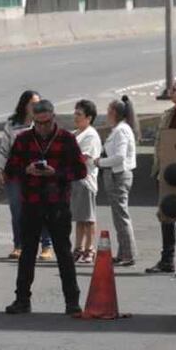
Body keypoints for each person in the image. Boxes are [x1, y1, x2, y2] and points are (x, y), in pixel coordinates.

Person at [3, 99, 87, 316]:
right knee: (27, 252)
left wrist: (55, 173)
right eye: (38, 123)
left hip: (57, 202)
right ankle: (22, 299)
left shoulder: (66, 139)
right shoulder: (23, 139)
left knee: (63, 252)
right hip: (31, 202)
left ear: (53, 118)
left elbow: (80, 171)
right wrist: (27, 169)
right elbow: (10, 170)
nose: (42, 127)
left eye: (46, 122)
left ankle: (72, 300)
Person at [147, 77, 176, 274]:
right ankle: (167, 259)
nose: (172, 92)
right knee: (166, 216)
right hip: (165, 173)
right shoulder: (168, 114)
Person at [0, 90, 51, 261]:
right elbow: (4, 149)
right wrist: (0, 170)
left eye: (38, 103)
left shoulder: (43, 123)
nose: (36, 107)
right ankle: (19, 246)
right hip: (16, 173)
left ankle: (46, 246)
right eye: (33, 104)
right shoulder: (12, 124)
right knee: (17, 210)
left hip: (38, 173)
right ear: (24, 105)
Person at [98, 96, 138, 266]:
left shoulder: (121, 130)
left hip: (118, 175)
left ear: (114, 112)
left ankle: (128, 254)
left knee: (121, 216)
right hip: (117, 175)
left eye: (108, 111)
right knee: (118, 216)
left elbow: (119, 157)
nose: (106, 114)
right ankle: (123, 253)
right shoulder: (120, 129)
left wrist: (100, 162)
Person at [69, 100, 102, 265]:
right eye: (75, 113)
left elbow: (84, 157)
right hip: (75, 181)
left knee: (88, 218)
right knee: (80, 217)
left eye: (79, 114)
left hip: (86, 180)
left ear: (89, 118)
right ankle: (78, 248)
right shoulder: (76, 133)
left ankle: (90, 249)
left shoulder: (90, 135)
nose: (75, 117)